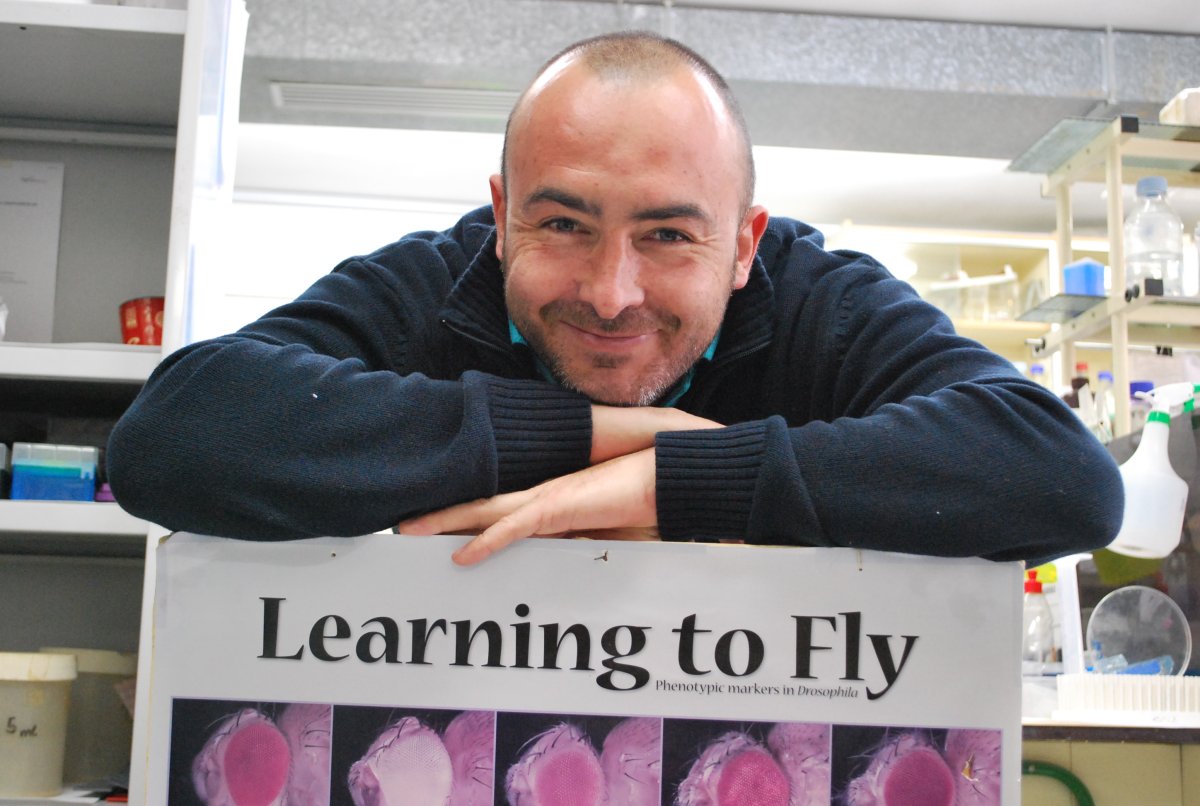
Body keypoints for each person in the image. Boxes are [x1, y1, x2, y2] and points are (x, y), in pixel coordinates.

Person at [106, 31, 1123, 566]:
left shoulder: (822, 302)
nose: (610, 291)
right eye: (562, 224)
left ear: (745, 245)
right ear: (501, 215)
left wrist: (678, 481)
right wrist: (595, 435)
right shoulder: (437, 280)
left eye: (669, 235)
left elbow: (1059, 475)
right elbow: (175, 436)